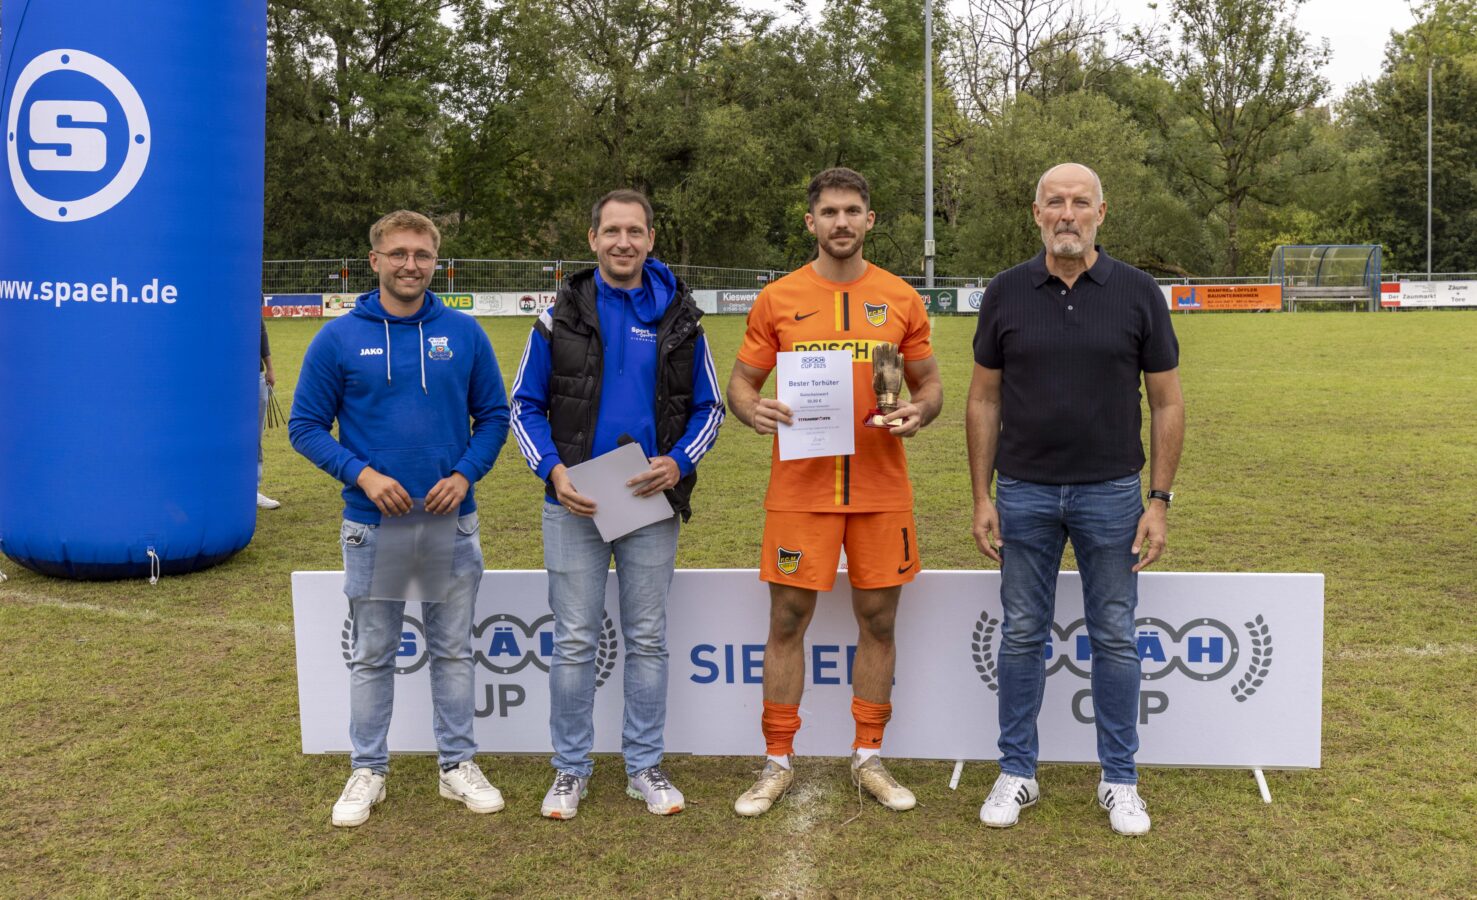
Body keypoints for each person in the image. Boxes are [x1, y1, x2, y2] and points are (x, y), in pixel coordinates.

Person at [966, 163, 1184, 836]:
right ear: (1035, 213)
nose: (1067, 213)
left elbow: (1167, 402)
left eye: (1079, 203)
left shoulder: (1138, 292)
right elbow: (981, 398)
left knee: (1115, 638)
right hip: (1023, 492)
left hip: (1113, 493)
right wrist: (981, 494)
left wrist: (1158, 500)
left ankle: (1118, 780)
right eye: (1054, 202)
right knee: (1022, 633)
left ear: (1100, 212)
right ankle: (1016, 772)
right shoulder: (1004, 292)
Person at [725, 167, 942, 816]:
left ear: (869, 220)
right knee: (787, 620)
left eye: (852, 211)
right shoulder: (778, 298)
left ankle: (868, 756)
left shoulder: (899, 297)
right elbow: (740, 383)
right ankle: (776, 761)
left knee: (877, 621)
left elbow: (929, 386)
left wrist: (917, 412)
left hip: (880, 490)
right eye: (829, 212)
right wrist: (752, 408)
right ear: (810, 222)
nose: (840, 222)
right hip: (801, 490)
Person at [289, 210, 511, 828]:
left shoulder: (464, 334)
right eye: (398, 254)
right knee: (374, 653)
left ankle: (456, 765)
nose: (410, 264)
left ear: (436, 261)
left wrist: (465, 474)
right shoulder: (337, 339)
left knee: (452, 652)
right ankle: (368, 769)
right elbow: (304, 426)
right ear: (375, 261)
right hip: (372, 526)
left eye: (422, 254)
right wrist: (363, 474)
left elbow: (494, 416)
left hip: (450, 524)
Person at [510, 189, 725, 819]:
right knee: (575, 641)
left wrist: (678, 462)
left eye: (635, 231)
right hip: (575, 502)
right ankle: (570, 770)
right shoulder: (558, 317)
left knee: (648, 639)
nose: (623, 242)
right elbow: (524, 406)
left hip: (647, 500)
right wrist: (553, 472)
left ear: (651, 239)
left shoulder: (682, 319)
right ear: (592, 238)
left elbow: (708, 407)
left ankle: (644, 765)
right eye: (612, 231)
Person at [257, 318, 281, 509]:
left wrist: (270, 367)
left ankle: (252, 490)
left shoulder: (254, 291)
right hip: (225, 374)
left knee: (253, 437)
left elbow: (261, 330)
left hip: (255, 374)